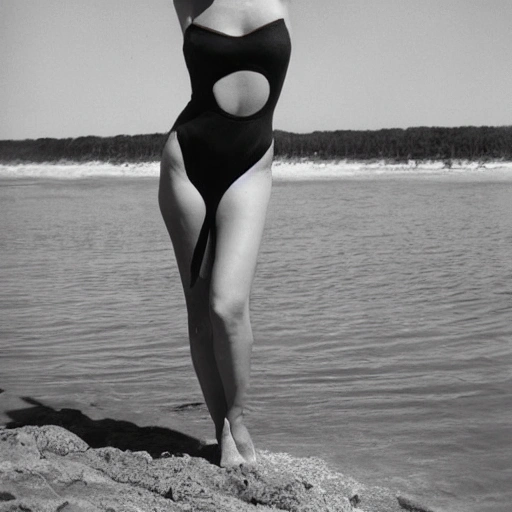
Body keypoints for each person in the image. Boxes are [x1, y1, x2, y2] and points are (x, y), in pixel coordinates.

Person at [158, 0, 292, 467]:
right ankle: (221, 431)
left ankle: (237, 419)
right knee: (199, 313)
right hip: (186, 164)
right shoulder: (191, 3)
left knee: (228, 305)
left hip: (250, 166)